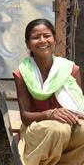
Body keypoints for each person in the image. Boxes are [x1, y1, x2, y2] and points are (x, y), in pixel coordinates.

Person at [13, 18, 84, 165]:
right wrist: (50, 114)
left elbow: (79, 105)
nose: (42, 40)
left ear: (54, 40)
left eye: (46, 36)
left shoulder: (70, 69)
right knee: (58, 129)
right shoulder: (22, 73)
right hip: (39, 128)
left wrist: (77, 114)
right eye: (35, 37)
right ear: (27, 44)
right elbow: (25, 116)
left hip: (69, 125)